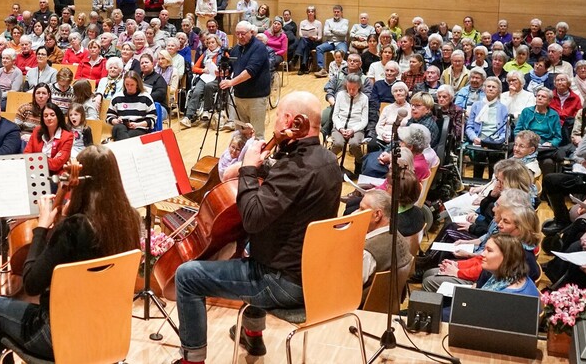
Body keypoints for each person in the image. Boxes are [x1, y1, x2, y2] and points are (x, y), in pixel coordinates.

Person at [173, 91, 341, 363]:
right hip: (314, 274)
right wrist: (253, 167)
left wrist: (249, 169)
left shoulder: (295, 169)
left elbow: (252, 217)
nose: (276, 123)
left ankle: (192, 358)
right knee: (254, 245)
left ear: (290, 120)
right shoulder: (327, 160)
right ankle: (252, 333)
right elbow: (288, 179)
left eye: (278, 117)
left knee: (188, 276)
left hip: (284, 282)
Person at [0, 145, 140, 363]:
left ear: (81, 182)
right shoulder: (130, 219)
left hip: (60, 337)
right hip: (108, 332)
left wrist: (41, 228)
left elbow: (32, 284)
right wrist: (63, 196)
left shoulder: (74, 228)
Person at [220, 21, 273, 137]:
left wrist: (231, 82)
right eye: (237, 34)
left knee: (256, 134)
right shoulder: (236, 49)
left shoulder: (259, 48)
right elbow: (234, 67)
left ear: (251, 33)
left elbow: (250, 72)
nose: (240, 37)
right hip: (239, 96)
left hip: (256, 97)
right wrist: (225, 72)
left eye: (243, 34)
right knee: (241, 133)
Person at [359, 189, 413, 294]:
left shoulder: (368, 253)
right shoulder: (401, 239)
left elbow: (347, 288)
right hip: (386, 304)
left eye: (361, 209)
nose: (355, 213)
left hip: (358, 307)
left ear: (377, 215)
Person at [181, 34, 226, 128]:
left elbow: (229, 70)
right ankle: (188, 117)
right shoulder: (205, 54)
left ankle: (207, 110)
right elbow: (194, 68)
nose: (211, 45)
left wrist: (221, 72)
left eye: (213, 42)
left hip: (218, 78)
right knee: (196, 92)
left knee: (208, 86)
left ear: (217, 42)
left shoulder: (223, 53)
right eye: (208, 43)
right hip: (205, 76)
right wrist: (203, 70)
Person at [24, 102, 74, 177]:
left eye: (52, 115)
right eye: (45, 116)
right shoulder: (37, 130)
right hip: (34, 172)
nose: (49, 118)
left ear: (58, 116)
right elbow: (27, 155)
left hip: (55, 176)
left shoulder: (67, 136)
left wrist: (36, 158)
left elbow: (56, 165)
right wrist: (48, 160)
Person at [106, 72, 157, 141]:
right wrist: (116, 121)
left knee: (126, 136)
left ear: (137, 84)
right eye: (127, 84)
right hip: (120, 127)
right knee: (119, 128)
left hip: (139, 128)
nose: (129, 87)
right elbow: (109, 117)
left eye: (132, 85)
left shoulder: (146, 97)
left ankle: (125, 148)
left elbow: (152, 119)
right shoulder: (117, 97)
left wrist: (137, 124)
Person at [330, 76, 370, 162]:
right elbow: (335, 115)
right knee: (338, 144)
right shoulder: (340, 95)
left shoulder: (364, 98)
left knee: (354, 144)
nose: (351, 91)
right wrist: (340, 128)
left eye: (354, 89)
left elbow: (364, 120)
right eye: (349, 88)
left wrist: (353, 130)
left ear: (359, 87)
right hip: (339, 127)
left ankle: (360, 165)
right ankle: (328, 163)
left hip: (356, 128)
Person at [314, 5, 350, 77]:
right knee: (319, 48)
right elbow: (325, 33)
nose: (336, 13)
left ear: (341, 13)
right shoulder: (328, 21)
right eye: (335, 12)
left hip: (341, 42)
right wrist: (337, 33)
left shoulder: (345, 21)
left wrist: (332, 30)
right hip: (330, 42)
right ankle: (322, 69)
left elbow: (344, 33)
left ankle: (342, 70)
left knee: (342, 51)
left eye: (338, 12)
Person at [294, 6, 322, 75]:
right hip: (306, 41)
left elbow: (320, 37)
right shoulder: (303, 22)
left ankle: (297, 57)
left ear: (314, 13)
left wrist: (315, 37)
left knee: (303, 42)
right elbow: (300, 34)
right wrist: (307, 36)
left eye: (312, 11)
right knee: (305, 44)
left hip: (315, 42)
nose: (310, 13)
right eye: (309, 11)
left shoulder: (318, 23)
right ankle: (304, 67)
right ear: (307, 13)